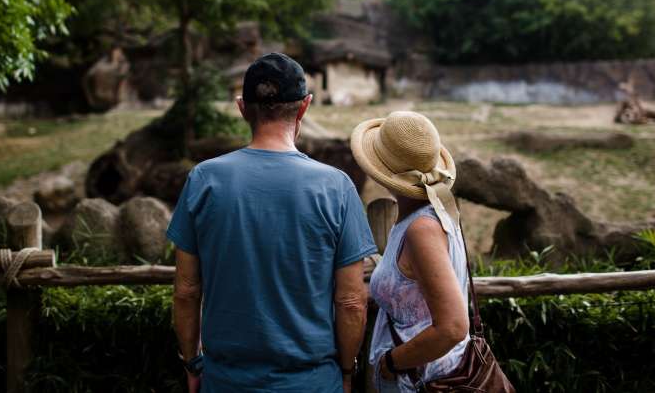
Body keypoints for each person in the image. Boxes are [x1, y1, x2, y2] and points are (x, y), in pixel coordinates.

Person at [166, 52, 378, 393]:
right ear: (305, 107)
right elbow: (352, 301)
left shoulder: (203, 180)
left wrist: (192, 363)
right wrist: (347, 370)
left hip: (225, 381)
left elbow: (187, 292)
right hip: (313, 382)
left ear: (242, 108)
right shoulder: (336, 187)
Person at [350, 111, 470, 392]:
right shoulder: (435, 213)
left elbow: (453, 326)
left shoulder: (421, 229)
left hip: (421, 380)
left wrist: (391, 362)